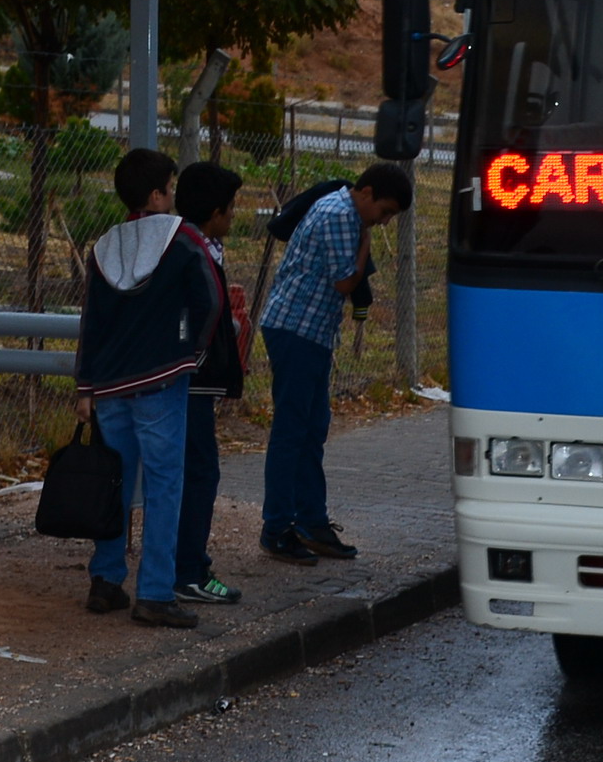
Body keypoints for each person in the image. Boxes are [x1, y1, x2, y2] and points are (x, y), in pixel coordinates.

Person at [77, 145, 219, 628]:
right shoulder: (183, 239)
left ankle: (106, 580)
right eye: (170, 188)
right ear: (158, 195)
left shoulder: (104, 247)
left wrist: (85, 387)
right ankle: (155, 593)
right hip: (161, 379)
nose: (173, 196)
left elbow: (91, 321)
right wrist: (191, 353)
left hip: (110, 383)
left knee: (115, 481)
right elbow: (211, 301)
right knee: (163, 485)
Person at [255, 161, 411, 564]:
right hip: (297, 330)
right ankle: (277, 528)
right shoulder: (342, 216)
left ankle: (309, 521)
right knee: (293, 431)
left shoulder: (340, 209)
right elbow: (345, 282)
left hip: (309, 331)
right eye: (385, 212)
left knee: (311, 428)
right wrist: (365, 244)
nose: (384, 221)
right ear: (367, 193)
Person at [166, 161, 251, 605]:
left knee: (184, 473)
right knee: (199, 473)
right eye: (231, 207)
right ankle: (188, 571)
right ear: (216, 210)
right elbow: (193, 314)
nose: (234, 216)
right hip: (190, 381)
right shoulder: (193, 250)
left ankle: (180, 565)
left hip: (185, 378)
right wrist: (196, 356)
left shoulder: (188, 244)